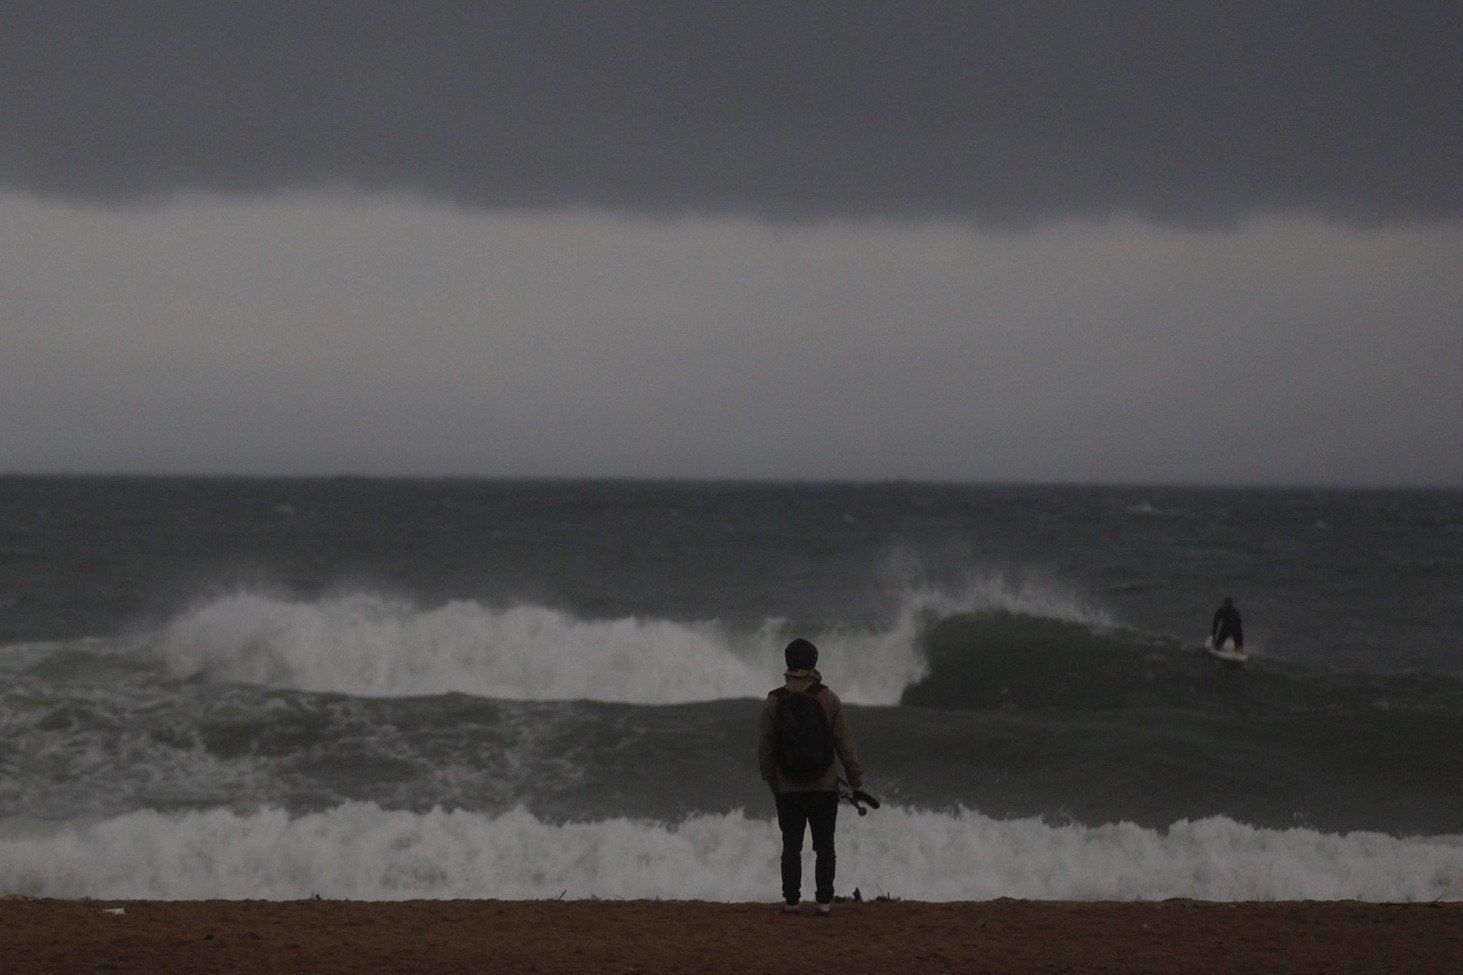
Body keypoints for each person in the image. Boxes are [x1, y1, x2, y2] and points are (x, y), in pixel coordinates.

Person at [757, 637, 864, 915]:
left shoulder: (774, 700)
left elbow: (765, 749)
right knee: (824, 846)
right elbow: (845, 745)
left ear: (787, 662)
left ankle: (791, 902)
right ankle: (824, 902)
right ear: (813, 662)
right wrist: (855, 780)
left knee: (791, 846)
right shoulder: (828, 698)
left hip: (788, 789)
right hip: (824, 787)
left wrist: (774, 782)